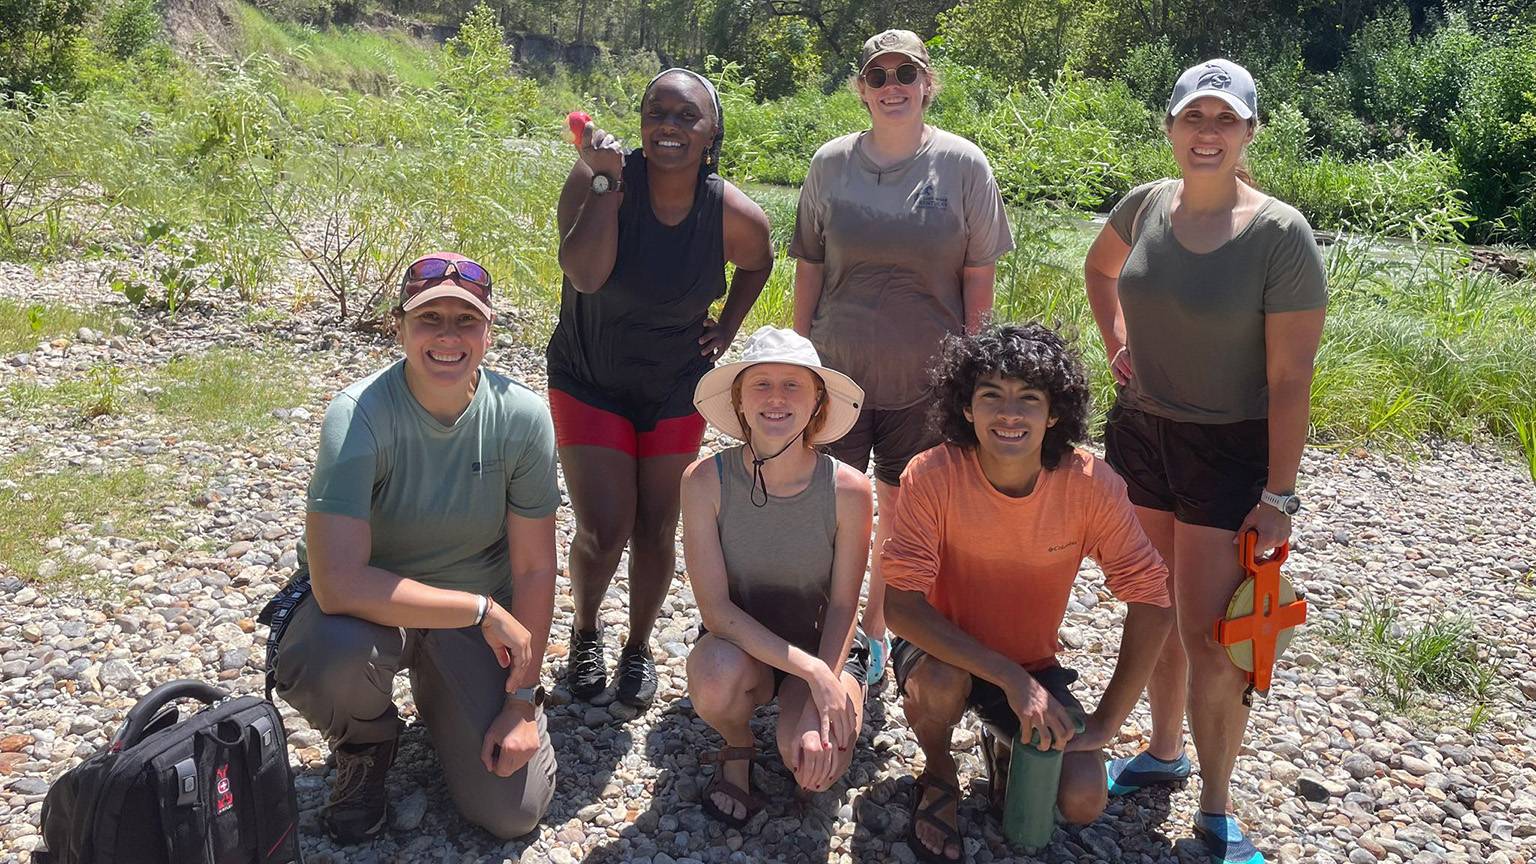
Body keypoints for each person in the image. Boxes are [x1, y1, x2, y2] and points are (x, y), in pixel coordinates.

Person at [1083, 59, 1328, 864]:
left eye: (1226, 120)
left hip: (1229, 446)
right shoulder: (1148, 204)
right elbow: (1099, 267)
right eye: (1195, 117)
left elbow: (1292, 377)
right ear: (1171, 126)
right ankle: (1161, 752)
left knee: (1212, 635)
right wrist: (1118, 342)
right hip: (1141, 432)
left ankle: (1218, 808)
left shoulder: (1279, 234)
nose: (1208, 133)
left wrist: (1280, 495)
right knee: (1149, 604)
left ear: (1251, 132)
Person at [263, 253, 559, 843]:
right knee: (327, 653)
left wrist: (521, 700)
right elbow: (338, 583)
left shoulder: (523, 417)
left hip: (471, 623)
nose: (448, 337)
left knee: (511, 813)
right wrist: (480, 610)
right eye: (430, 319)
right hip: (372, 610)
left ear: (488, 332)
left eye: (465, 321)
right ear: (398, 327)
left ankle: (445, 689)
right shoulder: (358, 416)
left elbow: (533, 566)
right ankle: (365, 744)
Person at [883, 323, 1174, 863]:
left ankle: (1005, 745)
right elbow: (900, 606)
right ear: (966, 409)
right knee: (943, 682)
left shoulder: (1089, 484)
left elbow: (1153, 599)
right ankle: (940, 772)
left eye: (1029, 399)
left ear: (1055, 413)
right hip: (942, 654)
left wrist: (1107, 721)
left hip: (1032, 661)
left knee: (1084, 799)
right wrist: (1011, 679)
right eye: (990, 395)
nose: (1009, 414)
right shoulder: (932, 474)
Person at [789, 29, 1014, 683]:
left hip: (928, 381)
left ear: (927, 85)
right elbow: (808, 262)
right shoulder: (830, 164)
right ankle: (811, 632)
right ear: (861, 89)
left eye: (905, 74)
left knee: (900, 513)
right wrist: (799, 355)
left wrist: (978, 374)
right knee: (825, 507)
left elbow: (978, 277)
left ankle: (874, 635)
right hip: (837, 372)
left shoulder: (964, 166)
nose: (893, 86)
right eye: (879, 75)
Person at [550, 68, 774, 708]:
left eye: (686, 117)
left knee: (656, 526)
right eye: (657, 113)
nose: (668, 127)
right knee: (605, 526)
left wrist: (727, 326)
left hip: (675, 384)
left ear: (711, 134)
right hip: (589, 374)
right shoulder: (601, 176)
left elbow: (760, 261)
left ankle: (637, 648)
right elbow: (586, 276)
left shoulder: (731, 214)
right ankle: (587, 630)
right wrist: (606, 181)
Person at [680, 326, 874, 827]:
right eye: (761, 384)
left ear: (817, 403)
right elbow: (716, 611)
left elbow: (843, 605)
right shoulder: (705, 481)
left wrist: (825, 679)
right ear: (740, 402)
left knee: (813, 761)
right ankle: (738, 742)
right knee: (715, 678)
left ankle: (818, 704)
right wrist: (812, 675)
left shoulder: (849, 490)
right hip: (740, 644)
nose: (776, 398)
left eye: (794, 385)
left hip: (824, 643)